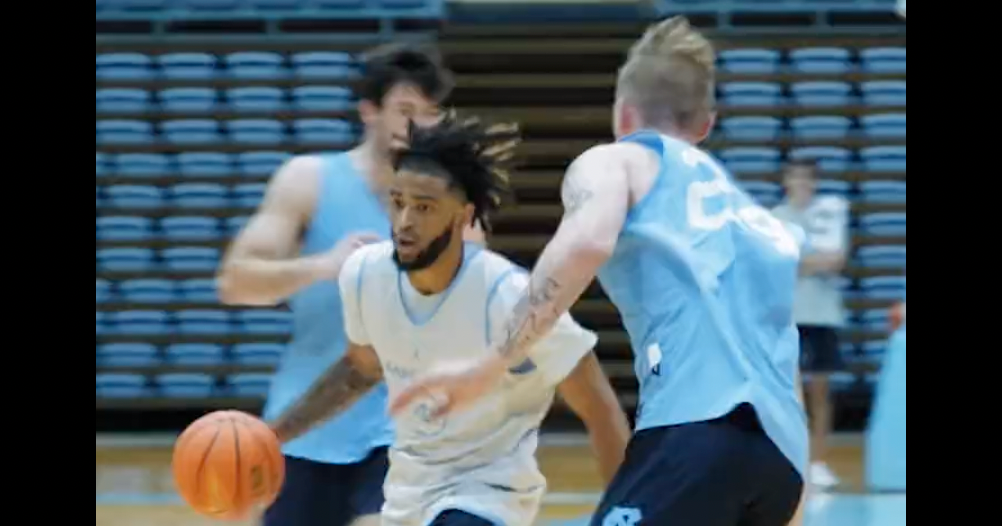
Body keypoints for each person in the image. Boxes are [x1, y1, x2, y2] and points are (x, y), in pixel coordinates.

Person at [390, 17, 809, 526]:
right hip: (782, 463)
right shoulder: (756, 222)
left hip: (696, 430)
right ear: (705, 125)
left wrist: (488, 365)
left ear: (623, 112)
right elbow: (783, 350)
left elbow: (587, 242)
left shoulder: (619, 161)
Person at [267, 115, 631, 526]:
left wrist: (629, 513)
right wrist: (275, 434)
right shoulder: (365, 275)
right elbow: (359, 369)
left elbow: (597, 405)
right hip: (407, 494)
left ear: (463, 216)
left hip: (489, 496)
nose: (404, 222)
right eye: (398, 201)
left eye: (424, 208)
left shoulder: (510, 295)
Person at [216, 44, 478, 526]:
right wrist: (324, 266)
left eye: (430, 114)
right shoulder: (308, 180)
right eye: (404, 111)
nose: (418, 125)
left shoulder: (453, 205)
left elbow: (478, 310)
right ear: (369, 112)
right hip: (307, 421)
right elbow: (236, 283)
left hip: (405, 428)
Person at [772, 159, 850, 490]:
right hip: (786, 315)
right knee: (786, 393)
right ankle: (788, 460)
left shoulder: (828, 216)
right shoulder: (775, 218)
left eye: (807, 178)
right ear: (786, 181)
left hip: (821, 315)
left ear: (815, 183)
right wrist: (810, 261)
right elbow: (778, 265)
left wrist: (803, 261)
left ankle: (818, 462)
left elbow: (836, 261)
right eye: (795, 176)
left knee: (820, 392)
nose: (801, 183)